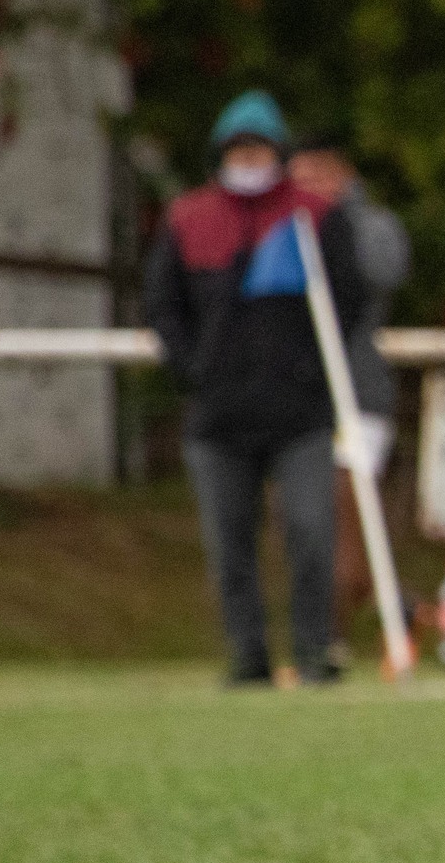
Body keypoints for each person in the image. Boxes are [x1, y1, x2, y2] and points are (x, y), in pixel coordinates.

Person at [143, 90, 363, 686]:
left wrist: (313, 368)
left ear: (278, 151)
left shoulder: (313, 215)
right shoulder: (188, 218)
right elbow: (163, 307)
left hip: (301, 413)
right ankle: (249, 657)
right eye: (238, 149)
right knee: (229, 547)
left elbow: (349, 299)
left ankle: (316, 651)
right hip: (218, 418)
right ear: (220, 154)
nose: (248, 158)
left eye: (258, 148)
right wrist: (194, 369)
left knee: (313, 534)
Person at [287, 133, 412, 669]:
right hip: (299, 397)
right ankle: (393, 617)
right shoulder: (282, 228)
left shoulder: (372, 227)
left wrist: (331, 230)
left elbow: (386, 273)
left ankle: (329, 644)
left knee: (343, 513)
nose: (306, 188)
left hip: (356, 395)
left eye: (317, 176)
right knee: (314, 523)